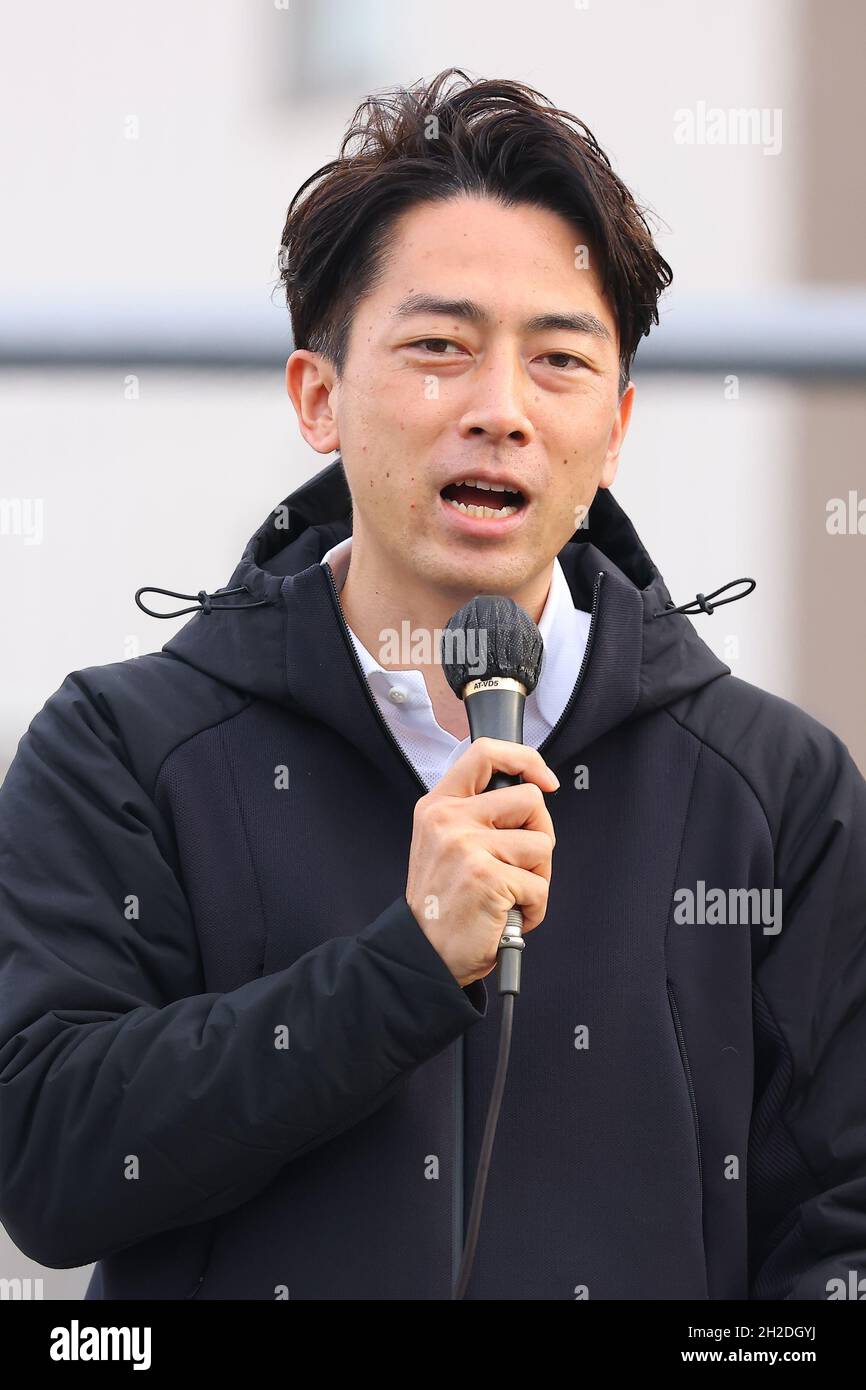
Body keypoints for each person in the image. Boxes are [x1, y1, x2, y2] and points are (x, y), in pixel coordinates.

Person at [1, 69, 864, 1302]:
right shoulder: (123, 749)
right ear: (318, 396)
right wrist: (402, 967)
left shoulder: (774, 792)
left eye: (557, 361)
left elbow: (838, 1227)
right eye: (438, 350)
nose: (499, 410)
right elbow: (48, 1160)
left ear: (614, 428)